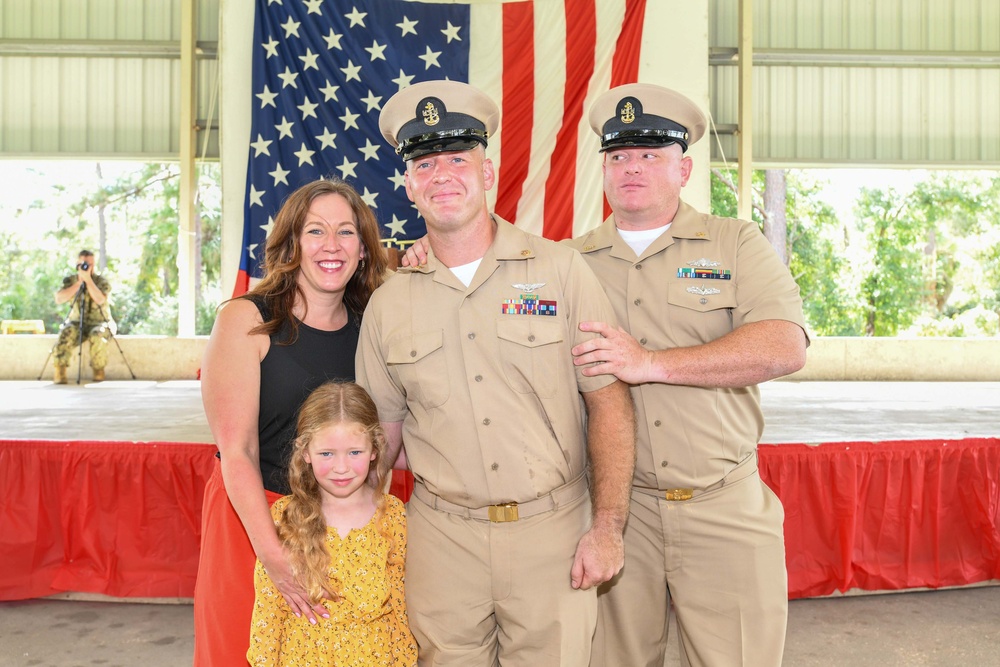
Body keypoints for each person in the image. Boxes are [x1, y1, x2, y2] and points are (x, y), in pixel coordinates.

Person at [355, 80, 636, 667]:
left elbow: (609, 405)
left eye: (458, 159)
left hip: (552, 535)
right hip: (442, 542)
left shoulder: (562, 271)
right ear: (408, 186)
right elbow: (381, 436)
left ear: (487, 174)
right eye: (425, 164)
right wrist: (359, 540)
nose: (442, 176)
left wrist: (607, 528)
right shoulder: (389, 302)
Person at [567, 83, 809, 667]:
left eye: (650, 155)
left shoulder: (734, 242)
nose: (631, 168)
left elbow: (784, 345)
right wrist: (423, 258)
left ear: (684, 168)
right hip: (618, 514)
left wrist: (650, 363)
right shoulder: (568, 261)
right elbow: (502, 300)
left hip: (723, 506)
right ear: (603, 169)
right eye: (619, 156)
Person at [194, 178, 389, 666]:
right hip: (254, 518)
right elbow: (236, 452)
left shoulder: (375, 325)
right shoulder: (246, 321)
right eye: (315, 231)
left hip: (344, 523)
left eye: (346, 232)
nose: (331, 245)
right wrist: (273, 556)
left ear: (363, 249)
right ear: (292, 242)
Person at [247, 381, 417, 666]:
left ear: (375, 450)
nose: (341, 467)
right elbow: (268, 608)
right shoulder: (284, 516)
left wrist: (406, 659)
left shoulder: (393, 515)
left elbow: (400, 601)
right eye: (327, 453)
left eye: (355, 452)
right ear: (305, 453)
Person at [52, 249, 114, 384]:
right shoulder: (71, 280)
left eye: (90, 264)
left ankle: (98, 370)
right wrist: (79, 283)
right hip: (77, 321)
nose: (87, 267)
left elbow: (100, 300)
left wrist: (89, 281)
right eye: (84, 264)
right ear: (77, 264)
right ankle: (60, 370)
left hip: (100, 321)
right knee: (66, 332)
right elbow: (59, 299)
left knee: (97, 335)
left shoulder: (101, 281)